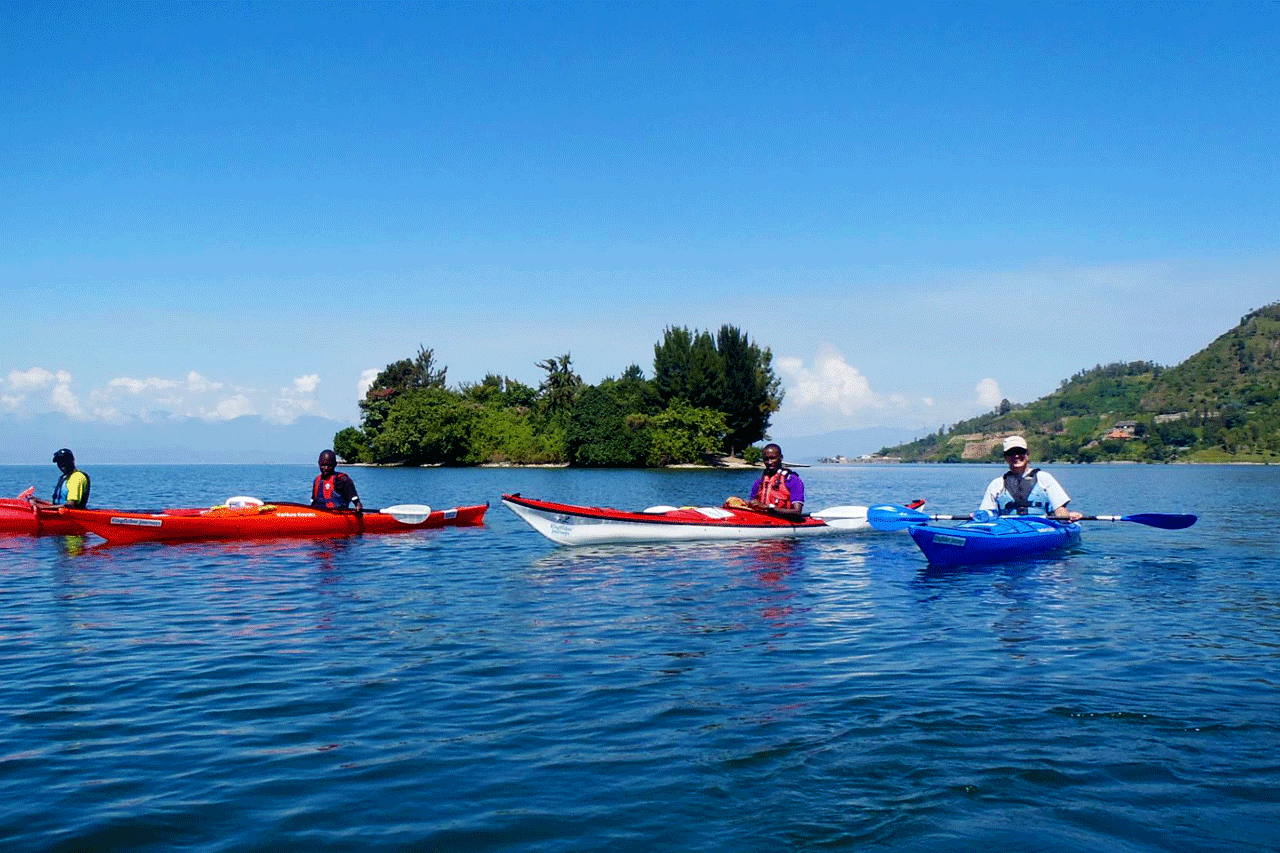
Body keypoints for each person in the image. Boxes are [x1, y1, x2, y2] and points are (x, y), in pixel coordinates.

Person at [980, 435, 1082, 521]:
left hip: (1041, 528)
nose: (1016, 456)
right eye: (1011, 453)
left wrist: (1067, 517)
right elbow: (986, 512)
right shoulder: (997, 484)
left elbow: (1060, 509)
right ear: (1006, 457)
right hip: (1006, 529)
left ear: (1027, 455)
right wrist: (977, 516)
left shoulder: (1044, 478)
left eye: (1020, 452)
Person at [748, 443, 805, 514]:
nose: (769, 462)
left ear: (780, 457)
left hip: (784, 521)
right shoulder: (759, 482)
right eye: (766, 459)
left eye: (772, 458)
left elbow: (797, 511)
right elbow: (752, 505)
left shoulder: (793, 480)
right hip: (762, 520)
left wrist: (768, 507)